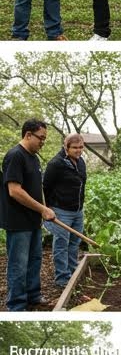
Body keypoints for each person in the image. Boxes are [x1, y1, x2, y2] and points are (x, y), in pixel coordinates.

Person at [1, 119, 56, 312]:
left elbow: (36, 188)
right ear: (28, 135)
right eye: (41, 138)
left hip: (33, 220)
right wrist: (42, 209)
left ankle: (33, 295)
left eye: (45, 138)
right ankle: (16, 305)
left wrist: (44, 208)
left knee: (35, 260)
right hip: (18, 222)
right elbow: (14, 191)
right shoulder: (15, 156)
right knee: (18, 264)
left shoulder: (33, 157)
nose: (43, 142)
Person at [42, 133, 87, 291]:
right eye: (75, 147)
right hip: (61, 210)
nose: (78, 150)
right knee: (61, 244)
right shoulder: (56, 164)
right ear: (66, 147)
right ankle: (62, 278)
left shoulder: (81, 162)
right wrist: (48, 208)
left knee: (74, 242)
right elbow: (45, 187)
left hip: (77, 210)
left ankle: (73, 272)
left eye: (81, 147)